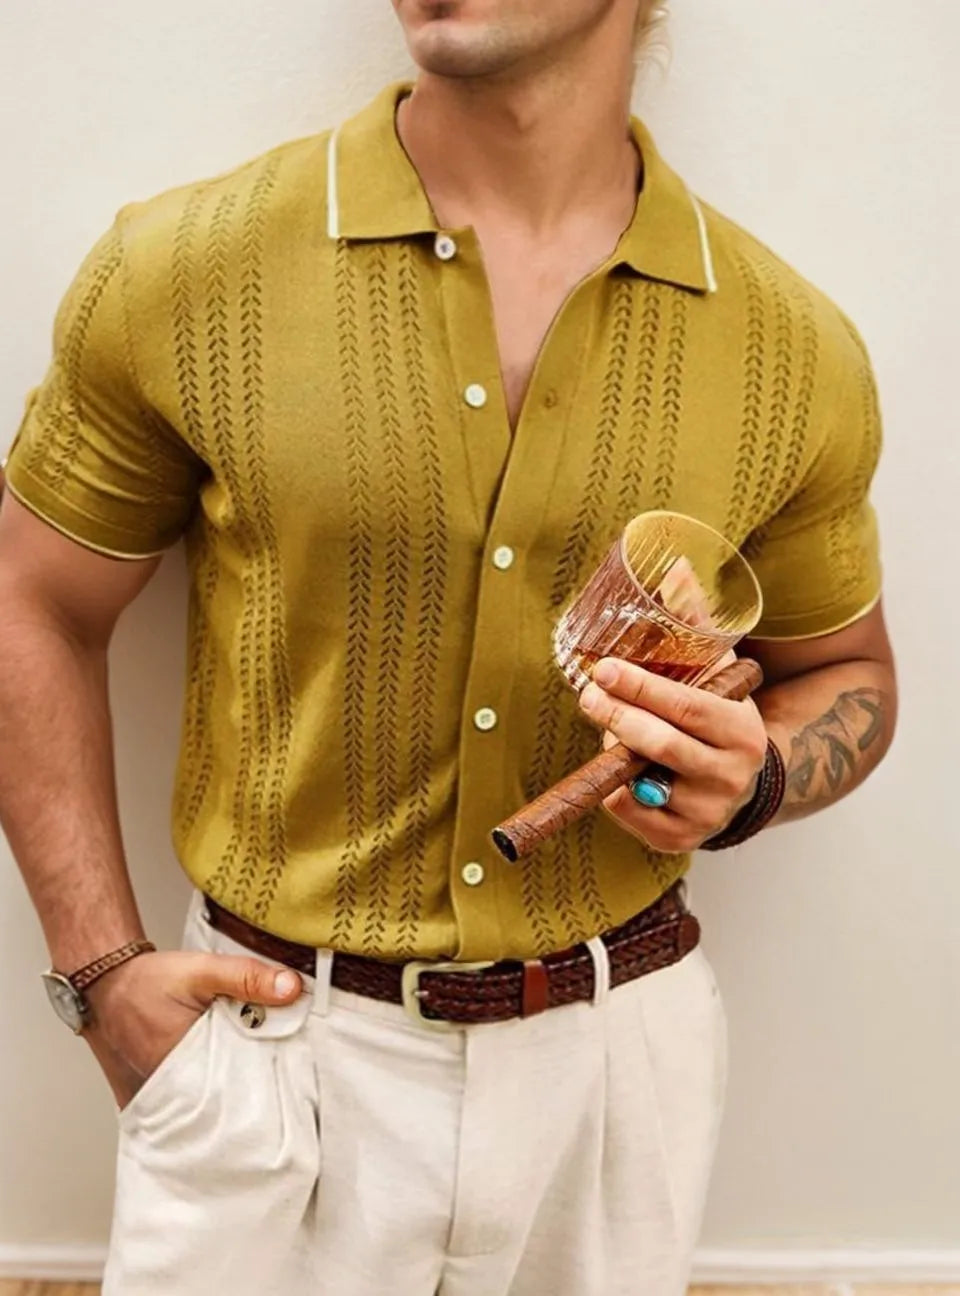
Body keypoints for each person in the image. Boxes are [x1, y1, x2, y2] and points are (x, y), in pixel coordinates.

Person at [0, 1, 897, 1293]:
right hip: (266, 1060)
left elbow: (847, 675)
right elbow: (32, 599)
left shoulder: (792, 352)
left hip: (616, 1087)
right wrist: (102, 975)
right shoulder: (187, 272)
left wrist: (755, 778)